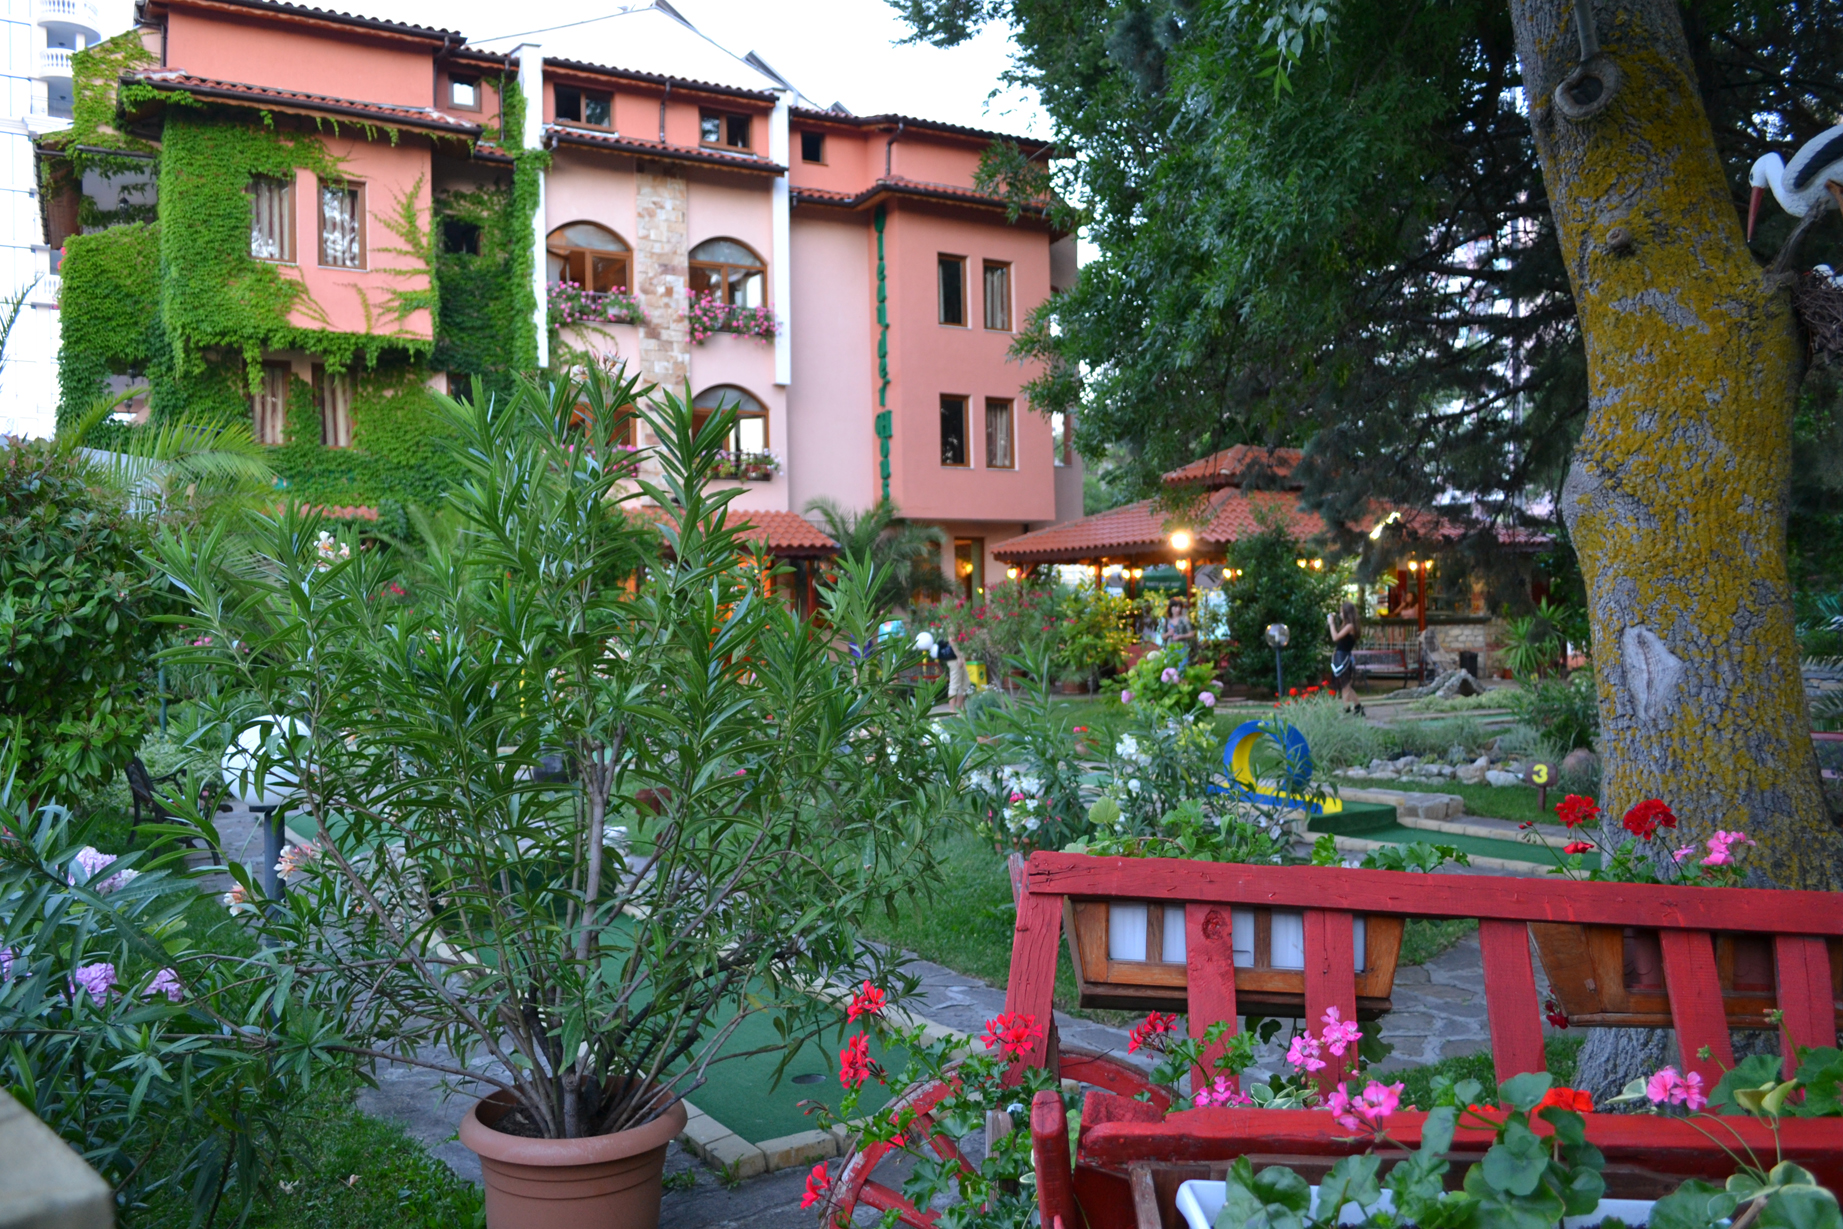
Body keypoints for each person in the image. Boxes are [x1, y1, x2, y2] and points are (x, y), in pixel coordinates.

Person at [1328, 600, 1362, 712]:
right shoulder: (1347, 625)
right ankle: (1358, 707)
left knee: (1345, 686)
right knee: (1346, 685)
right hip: (1341, 656)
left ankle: (1346, 708)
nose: (1340, 614)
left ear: (1347, 613)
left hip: (1344, 657)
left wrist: (1331, 624)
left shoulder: (1350, 626)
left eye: (1342, 612)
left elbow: (1335, 637)